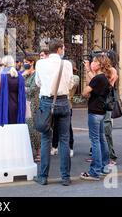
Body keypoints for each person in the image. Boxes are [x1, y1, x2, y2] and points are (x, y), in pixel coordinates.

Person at [34, 39, 74, 186]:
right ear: (58, 49)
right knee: (64, 139)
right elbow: (70, 83)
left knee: (46, 139)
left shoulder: (40, 63)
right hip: (63, 102)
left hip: (46, 102)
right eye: (62, 48)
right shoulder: (67, 64)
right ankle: (65, 177)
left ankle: (43, 177)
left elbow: (38, 83)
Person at [80, 55, 111, 181]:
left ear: (100, 64)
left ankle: (95, 171)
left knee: (95, 141)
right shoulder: (103, 78)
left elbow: (84, 91)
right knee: (102, 139)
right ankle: (104, 167)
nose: (92, 63)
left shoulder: (98, 78)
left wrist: (86, 92)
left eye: (94, 61)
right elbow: (93, 82)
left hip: (94, 112)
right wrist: (88, 70)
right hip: (102, 112)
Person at [51, 60, 79, 158]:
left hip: (67, 103)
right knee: (55, 127)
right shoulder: (65, 77)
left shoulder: (75, 77)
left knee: (68, 128)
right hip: (60, 102)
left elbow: (71, 86)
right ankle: (54, 146)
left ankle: (70, 147)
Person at [0, 55, 26, 125]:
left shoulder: (1, 76)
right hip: (17, 106)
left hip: (2, 106)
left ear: (4, 64)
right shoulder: (20, 77)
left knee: (1, 130)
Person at [22, 55, 41, 162]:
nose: (25, 64)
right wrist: (23, 76)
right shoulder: (23, 73)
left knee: (33, 127)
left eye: (27, 62)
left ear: (32, 63)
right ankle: (28, 151)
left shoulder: (36, 74)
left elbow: (32, 90)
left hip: (33, 103)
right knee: (25, 126)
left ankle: (38, 151)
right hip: (23, 102)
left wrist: (21, 86)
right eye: (24, 62)